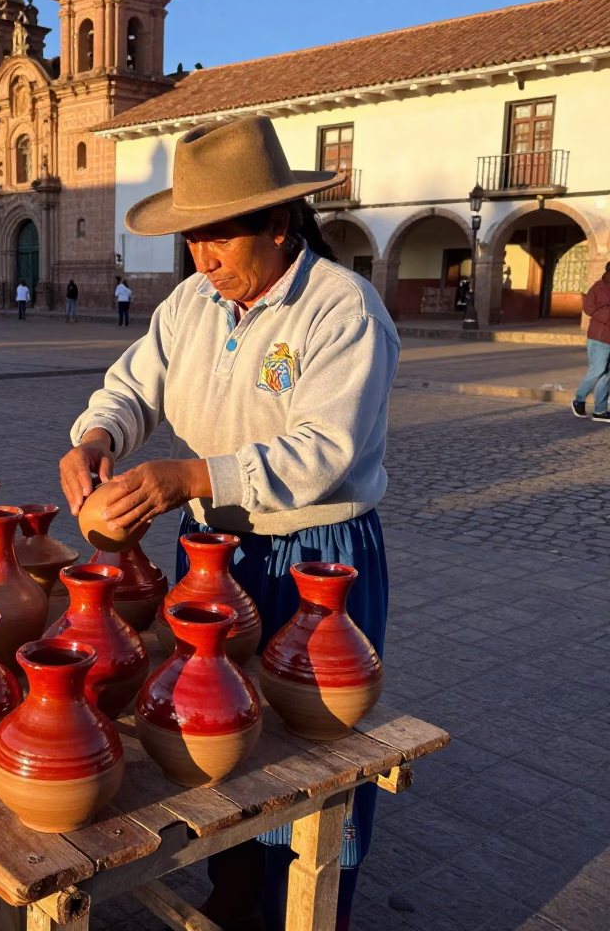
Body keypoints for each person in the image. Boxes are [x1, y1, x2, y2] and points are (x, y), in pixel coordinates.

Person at [58, 117, 399, 931]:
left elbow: (327, 447)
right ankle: (235, 884)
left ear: (278, 224)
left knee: (310, 744)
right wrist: (94, 437)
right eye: (192, 239)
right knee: (214, 725)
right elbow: (132, 388)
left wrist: (192, 475)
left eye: (219, 238)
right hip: (214, 551)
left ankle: (314, 905)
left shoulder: (340, 307)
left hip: (317, 558)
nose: (203, 259)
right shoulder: (191, 304)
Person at [571, 260, 610, 422]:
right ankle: (579, 400)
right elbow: (588, 309)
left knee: (607, 374)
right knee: (598, 370)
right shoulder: (598, 287)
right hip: (599, 336)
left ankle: (600, 411)